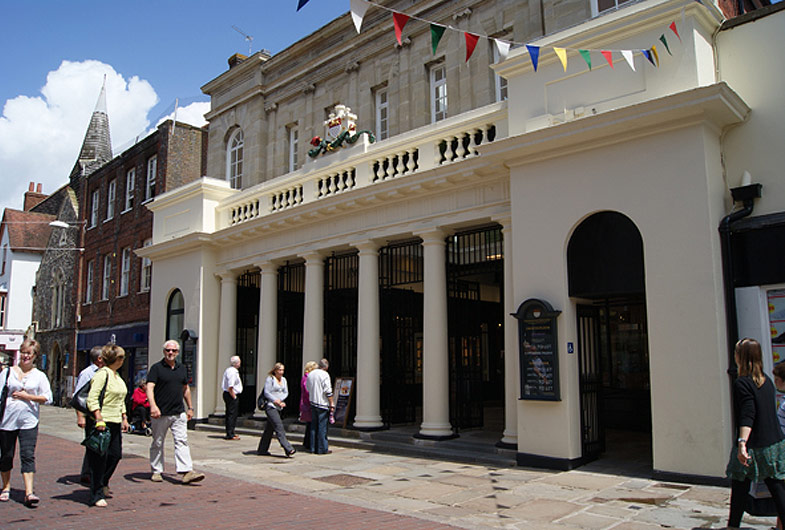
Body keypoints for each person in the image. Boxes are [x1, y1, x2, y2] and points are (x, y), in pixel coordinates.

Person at [726, 338, 785, 528]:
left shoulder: (742, 383)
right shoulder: (766, 381)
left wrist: (742, 442)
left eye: (736, 352)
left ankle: (733, 525)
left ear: (741, 357)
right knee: (775, 487)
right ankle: (733, 524)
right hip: (773, 442)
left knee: (741, 484)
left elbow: (748, 414)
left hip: (755, 445)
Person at [0, 339, 52, 506]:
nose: (25, 356)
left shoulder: (39, 376)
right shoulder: (7, 372)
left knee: (28, 455)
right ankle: (6, 487)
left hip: (29, 421)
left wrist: (27, 396)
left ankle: (29, 492)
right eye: (23, 352)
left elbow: (47, 397)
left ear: (35, 356)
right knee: (6, 455)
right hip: (7, 420)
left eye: (29, 353)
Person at [146, 340, 204, 484]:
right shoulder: (156, 368)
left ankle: (186, 471)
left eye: (173, 350)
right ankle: (156, 470)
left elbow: (185, 388)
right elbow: (150, 387)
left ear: (178, 352)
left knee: (181, 441)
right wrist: (153, 406)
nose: (170, 353)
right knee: (158, 442)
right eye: (168, 350)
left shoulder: (182, 368)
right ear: (164, 351)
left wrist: (190, 407)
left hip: (178, 412)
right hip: (161, 413)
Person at [86, 343, 129, 507]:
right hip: (102, 421)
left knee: (115, 455)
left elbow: (121, 399)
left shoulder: (117, 376)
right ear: (114, 359)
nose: (123, 360)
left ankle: (103, 482)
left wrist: (124, 417)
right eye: (121, 357)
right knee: (99, 459)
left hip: (115, 421)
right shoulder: (102, 374)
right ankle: (96, 493)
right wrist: (98, 417)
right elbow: (92, 397)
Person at [74, 346, 104, 484]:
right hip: (91, 415)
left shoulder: (105, 372)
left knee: (98, 445)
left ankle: (91, 472)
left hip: (102, 414)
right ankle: (88, 473)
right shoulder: (87, 373)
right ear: (99, 358)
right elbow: (78, 396)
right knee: (93, 444)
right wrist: (80, 416)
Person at [257, 362, 295, 457]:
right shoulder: (270, 379)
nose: (281, 372)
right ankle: (288, 448)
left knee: (269, 429)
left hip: (279, 406)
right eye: (279, 370)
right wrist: (275, 400)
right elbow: (267, 392)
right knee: (279, 426)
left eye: (282, 370)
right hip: (270, 406)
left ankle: (262, 449)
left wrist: (280, 400)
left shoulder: (284, 380)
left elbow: (286, 392)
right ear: (275, 371)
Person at [306, 358, 334, 455]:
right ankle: (322, 448)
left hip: (313, 402)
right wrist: (331, 403)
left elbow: (308, 388)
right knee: (322, 427)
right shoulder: (325, 375)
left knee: (314, 426)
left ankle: (313, 447)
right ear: (326, 367)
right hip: (322, 403)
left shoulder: (311, 374)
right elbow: (328, 390)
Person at [221, 356, 243, 440]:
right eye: (239, 362)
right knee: (232, 414)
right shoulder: (233, 372)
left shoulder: (229, 370)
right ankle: (230, 434)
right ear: (236, 363)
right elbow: (230, 386)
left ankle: (231, 432)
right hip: (231, 394)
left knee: (231, 414)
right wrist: (234, 397)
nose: (240, 363)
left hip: (229, 394)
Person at [299, 361, 318, 452]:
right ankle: (310, 443)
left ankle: (307, 442)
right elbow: (307, 391)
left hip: (307, 403)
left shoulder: (305, 377)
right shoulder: (307, 378)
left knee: (309, 423)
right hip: (308, 403)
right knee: (311, 423)